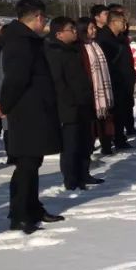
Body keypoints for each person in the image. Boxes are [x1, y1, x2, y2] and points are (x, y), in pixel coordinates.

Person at [0, 0, 64, 233]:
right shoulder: (19, 42)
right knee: (26, 165)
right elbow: (15, 78)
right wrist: (4, 105)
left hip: (37, 109)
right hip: (27, 112)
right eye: (43, 18)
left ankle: (33, 207)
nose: (44, 22)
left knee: (33, 162)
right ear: (37, 17)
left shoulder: (28, 40)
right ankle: (20, 214)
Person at [44, 17, 96, 190]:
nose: (75, 32)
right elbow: (58, 82)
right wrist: (70, 101)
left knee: (86, 142)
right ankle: (71, 180)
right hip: (68, 107)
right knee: (71, 145)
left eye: (75, 29)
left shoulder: (74, 50)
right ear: (59, 34)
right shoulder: (53, 52)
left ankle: (84, 174)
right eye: (71, 30)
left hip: (84, 103)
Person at [96, 10, 136, 150]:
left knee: (122, 112)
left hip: (124, 81)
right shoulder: (104, 39)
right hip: (113, 81)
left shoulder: (119, 37)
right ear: (113, 22)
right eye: (122, 22)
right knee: (112, 114)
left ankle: (120, 137)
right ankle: (109, 142)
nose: (125, 24)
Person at [80, 17, 116, 157]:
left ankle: (107, 145)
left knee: (106, 119)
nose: (94, 30)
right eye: (91, 28)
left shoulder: (97, 45)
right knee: (91, 124)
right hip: (90, 90)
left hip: (103, 90)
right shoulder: (81, 48)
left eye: (95, 28)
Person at [108, 4, 136, 136]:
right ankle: (116, 136)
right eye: (121, 19)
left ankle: (129, 128)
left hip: (126, 77)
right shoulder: (107, 39)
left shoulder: (122, 37)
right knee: (118, 110)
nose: (124, 22)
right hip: (117, 80)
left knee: (127, 105)